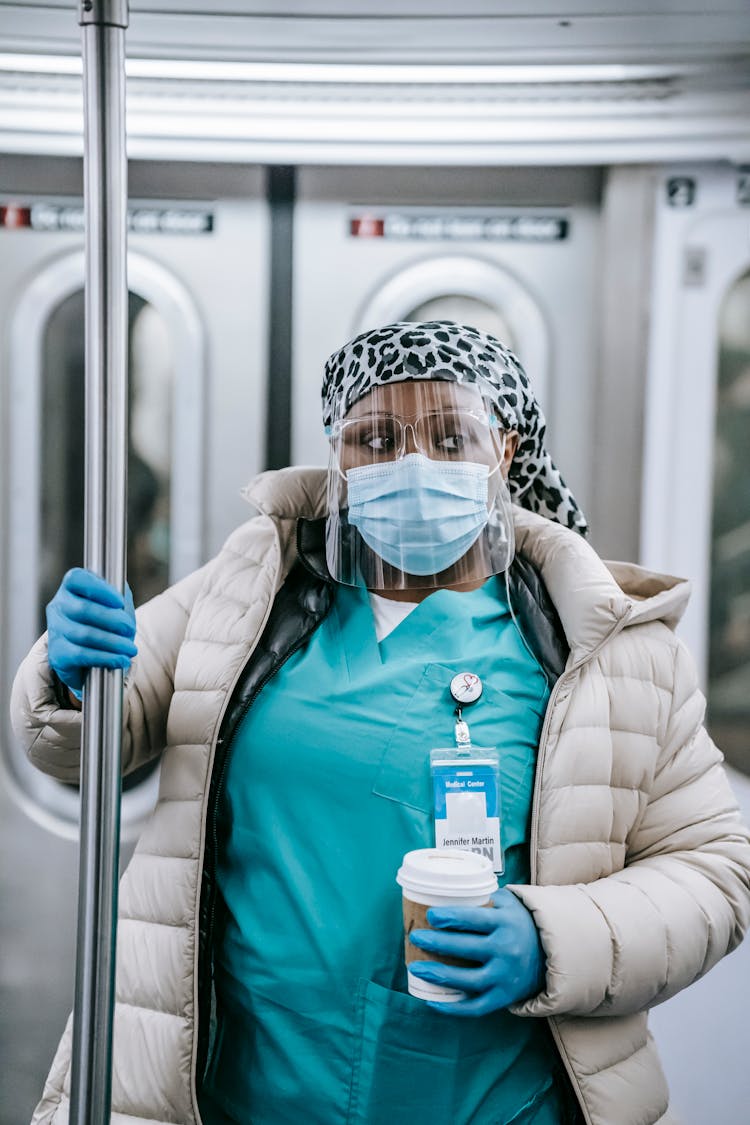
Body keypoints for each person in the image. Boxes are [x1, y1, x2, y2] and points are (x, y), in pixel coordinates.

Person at [12, 320, 750, 1125]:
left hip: (490, 1100)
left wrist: (555, 937)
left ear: (503, 452)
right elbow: (85, 740)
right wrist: (73, 666)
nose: (413, 465)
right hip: (235, 1093)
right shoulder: (251, 587)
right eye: (375, 438)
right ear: (338, 455)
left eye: (449, 436)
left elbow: (716, 868)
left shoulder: (605, 645)